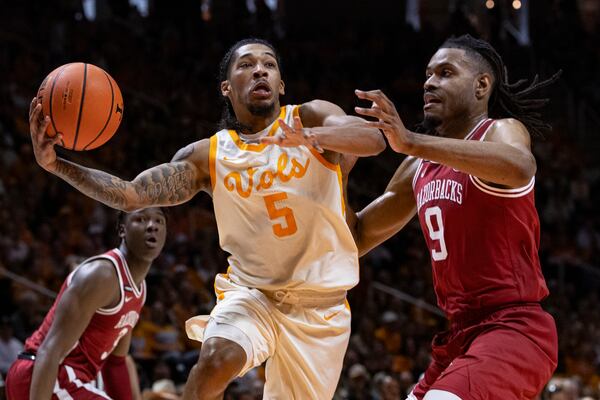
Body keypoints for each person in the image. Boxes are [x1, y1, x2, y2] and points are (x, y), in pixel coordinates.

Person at [28, 38, 385, 399]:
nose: (259, 69)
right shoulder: (209, 156)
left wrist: (309, 137)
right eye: (246, 65)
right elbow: (130, 194)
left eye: (269, 64)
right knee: (215, 360)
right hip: (253, 293)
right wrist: (56, 165)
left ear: (280, 84)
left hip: (321, 307)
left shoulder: (312, 117)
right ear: (226, 88)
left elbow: (373, 138)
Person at [347, 34, 560, 399]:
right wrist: (329, 170)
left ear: (481, 85)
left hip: (515, 329)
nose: (430, 82)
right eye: (428, 74)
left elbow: (521, 167)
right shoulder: (417, 165)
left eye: (446, 73)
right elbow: (359, 236)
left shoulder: (499, 131)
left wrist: (411, 140)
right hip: (459, 334)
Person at [5, 207, 167, 399]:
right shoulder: (102, 275)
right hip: (42, 375)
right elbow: (50, 350)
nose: (152, 226)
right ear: (122, 230)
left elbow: (117, 362)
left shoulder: (140, 289)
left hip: (69, 379)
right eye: (141, 219)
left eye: (159, 221)